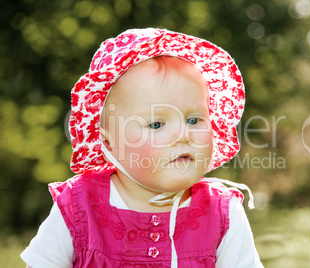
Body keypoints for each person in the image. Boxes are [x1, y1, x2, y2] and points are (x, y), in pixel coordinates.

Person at [21, 28, 263, 267]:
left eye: (194, 120)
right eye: (156, 124)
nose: (183, 135)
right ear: (108, 143)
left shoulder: (222, 214)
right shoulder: (79, 207)